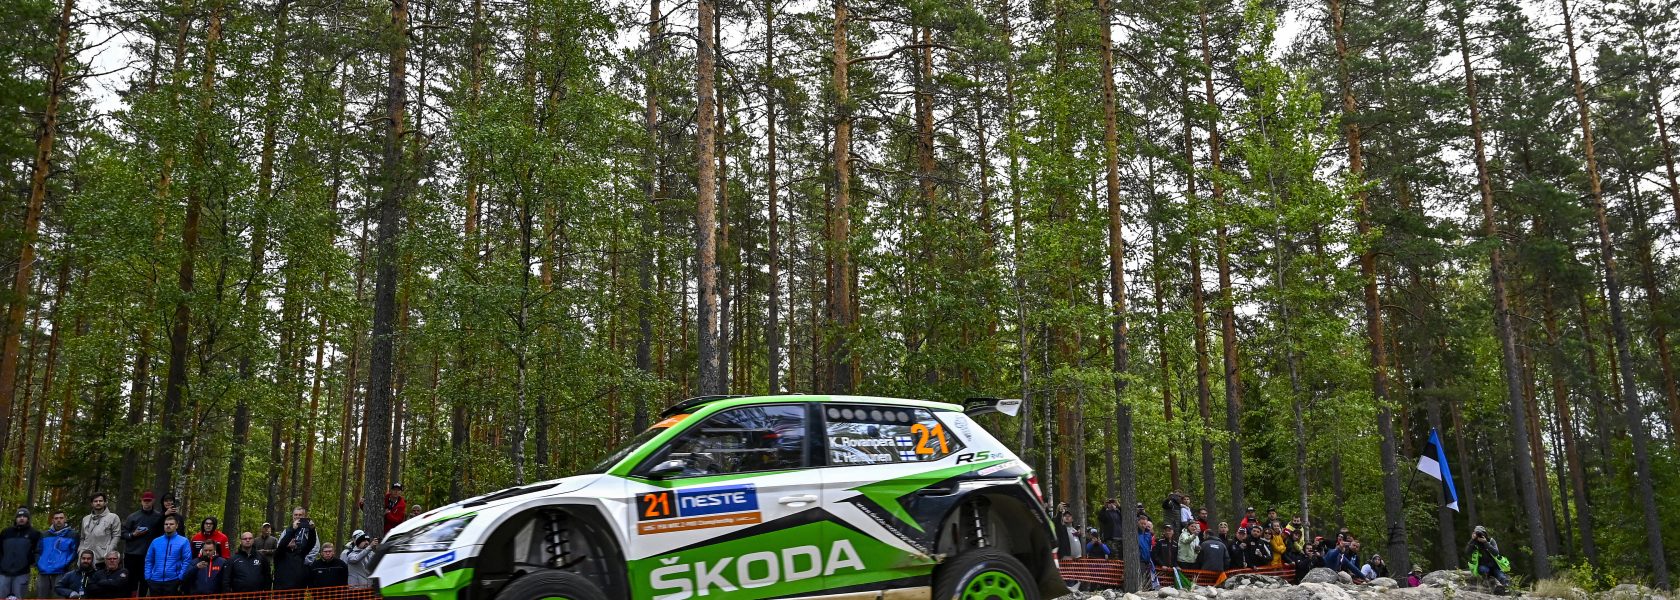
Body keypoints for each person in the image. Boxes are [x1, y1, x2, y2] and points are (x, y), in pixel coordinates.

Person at [121, 492, 162, 595]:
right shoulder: (133, 516)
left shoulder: (158, 516)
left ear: (153, 501)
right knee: (130, 580)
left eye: (149, 501)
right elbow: (122, 533)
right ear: (141, 501)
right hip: (132, 554)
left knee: (145, 581)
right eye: (145, 501)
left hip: (149, 555)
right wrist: (133, 534)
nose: (147, 503)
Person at [142, 515, 191, 596]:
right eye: (166, 524)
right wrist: (148, 577)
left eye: (171, 524)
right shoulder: (156, 541)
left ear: (176, 526)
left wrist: (180, 577)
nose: (168, 526)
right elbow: (149, 560)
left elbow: (187, 561)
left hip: (173, 580)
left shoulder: (183, 541)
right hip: (155, 580)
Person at [1, 508, 41, 600]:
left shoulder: (34, 533)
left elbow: (38, 551)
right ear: (16, 518)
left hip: (22, 572)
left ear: (28, 518)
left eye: (24, 516)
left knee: (18, 597)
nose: (22, 518)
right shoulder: (6, 532)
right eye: (19, 516)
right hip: (3, 572)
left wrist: (32, 562)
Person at [37, 510, 78, 598]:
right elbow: (37, 551)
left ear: (65, 519)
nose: (59, 520)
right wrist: (40, 564)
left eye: (61, 518)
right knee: (41, 597)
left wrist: (65, 564)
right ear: (52, 520)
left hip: (61, 572)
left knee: (59, 597)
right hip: (43, 571)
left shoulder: (72, 534)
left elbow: (74, 552)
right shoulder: (43, 535)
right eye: (56, 518)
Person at [273, 508, 316, 590]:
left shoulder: (300, 554)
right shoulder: (280, 554)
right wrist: (292, 529)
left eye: (300, 515)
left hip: (298, 590)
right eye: (296, 515)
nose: (293, 540)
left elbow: (311, 544)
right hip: (282, 590)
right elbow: (282, 544)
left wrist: (312, 530)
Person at [1465, 525, 1510, 592]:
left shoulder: (1491, 541)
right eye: (1478, 534)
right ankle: (1489, 585)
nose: (1480, 535)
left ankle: (1507, 589)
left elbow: (1496, 553)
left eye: (1481, 533)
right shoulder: (1474, 542)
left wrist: (1486, 543)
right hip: (1483, 567)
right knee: (1484, 570)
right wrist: (1472, 540)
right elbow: (1467, 552)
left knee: (1502, 577)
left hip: (1495, 566)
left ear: (1485, 534)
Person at [77, 496, 120, 565]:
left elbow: (116, 536)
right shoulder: (85, 519)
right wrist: (81, 550)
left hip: (103, 558)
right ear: (92, 504)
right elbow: (82, 537)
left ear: (105, 502)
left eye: (100, 501)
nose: (98, 503)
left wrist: (108, 551)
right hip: (87, 559)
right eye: (95, 501)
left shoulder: (113, 517)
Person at [1137, 517, 1158, 590]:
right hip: (1140, 560)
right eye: (1141, 523)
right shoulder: (1135, 533)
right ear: (1138, 523)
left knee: (1148, 578)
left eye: (1144, 524)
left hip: (1148, 560)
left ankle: (1148, 591)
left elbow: (1149, 547)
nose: (1143, 525)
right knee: (1141, 578)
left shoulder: (1148, 534)